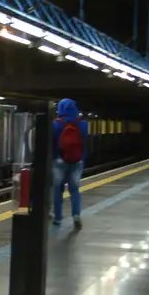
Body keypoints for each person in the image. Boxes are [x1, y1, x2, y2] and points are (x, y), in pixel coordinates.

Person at [51, 98, 88, 229]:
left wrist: (54, 158)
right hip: (77, 161)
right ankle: (76, 215)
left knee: (57, 190)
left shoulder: (55, 124)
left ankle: (58, 218)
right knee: (75, 190)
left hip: (59, 161)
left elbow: (52, 144)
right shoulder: (83, 124)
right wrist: (82, 159)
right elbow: (84, 144)